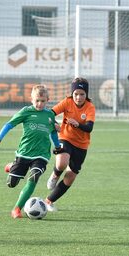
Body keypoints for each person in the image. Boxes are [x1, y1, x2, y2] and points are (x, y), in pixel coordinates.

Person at [0, 85, 63, 219]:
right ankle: (11, 167)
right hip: (24, 153)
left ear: (48, 100)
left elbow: (54, 132)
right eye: (37, 100)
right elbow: (9, 124)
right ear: (31, 99)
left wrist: (57, 146)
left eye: (43, 101)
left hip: (42, 155)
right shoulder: (26, 112)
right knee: (11, 184)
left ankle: (17, 209)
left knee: (34, 176)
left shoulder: (49, 115)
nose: (40, 104)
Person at [45, 77, 95, 212]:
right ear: (72, 94)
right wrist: (55, 124)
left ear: (87, 94)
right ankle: (55, 175)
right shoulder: (67, 102)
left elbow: (89, 128)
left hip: (82, 145)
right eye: (76, 94)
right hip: (65, 138)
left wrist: (78, 124)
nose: (78, 97)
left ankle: (49, 201)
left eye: (82, 94)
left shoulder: (90, 107)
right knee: (61, 162)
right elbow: (50, 113)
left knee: (70, 177)